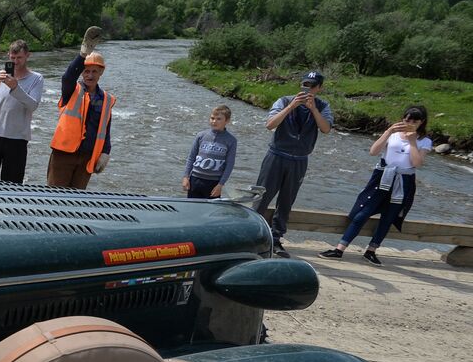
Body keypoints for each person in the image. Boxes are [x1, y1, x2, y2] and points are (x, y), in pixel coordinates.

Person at [320, 106, 433, 266]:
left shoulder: (424, 141)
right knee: (362, 213)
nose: (410, 123)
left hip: (403, 181)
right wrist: (388, 132)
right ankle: (339, 249)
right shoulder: (392, 134)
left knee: (388, 217)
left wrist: (413, 141)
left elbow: (417, 163)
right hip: (382, 177)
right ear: (403, 118)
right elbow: (373, 151)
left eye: (415, 121)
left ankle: (371, 251)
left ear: (422, 122)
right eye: (407, 119)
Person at [251, 70, 333, 257]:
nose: (308, 89)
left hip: (299, 160)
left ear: (319, 88)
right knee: (261, 198)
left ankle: (276, 239)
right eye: (305, 84)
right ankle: (252, 237)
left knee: (287, 201)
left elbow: (326, 129)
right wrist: (292, 107)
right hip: (276, 156)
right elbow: (270, 124)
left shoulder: (323, 106)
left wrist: (313, 109)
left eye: (312, 86)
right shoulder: (284, 101)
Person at [46, 28, 114, 189]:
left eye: (94, 71)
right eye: (86, 71)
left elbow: (106, 129)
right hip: (63, 155)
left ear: (101, 73)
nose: (90, 75)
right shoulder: (72, 90)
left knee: (76, 201)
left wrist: (105, 152)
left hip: (87, 157)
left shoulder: (107, 99)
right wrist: (82, 55)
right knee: (54, 199)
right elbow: (67, 77)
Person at [0, 40, 44, 182]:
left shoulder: (36, 78)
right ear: (8, 55)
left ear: (28, 56)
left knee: (12, 185)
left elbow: (33, 105)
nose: (15, 62)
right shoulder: (0, 74)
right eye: (12, 58)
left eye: (19, 58)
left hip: (17, 139)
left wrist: (15, 88)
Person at [182, 106, 239, 198]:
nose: (214, 121)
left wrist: (221, 184)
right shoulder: (201, 136)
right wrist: (186, 177)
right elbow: (191, 157)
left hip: (213, 183)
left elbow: (230, 164)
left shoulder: (231, 140)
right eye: (212, 118)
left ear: (227, 121)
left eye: (218, 119)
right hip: (195, 179)